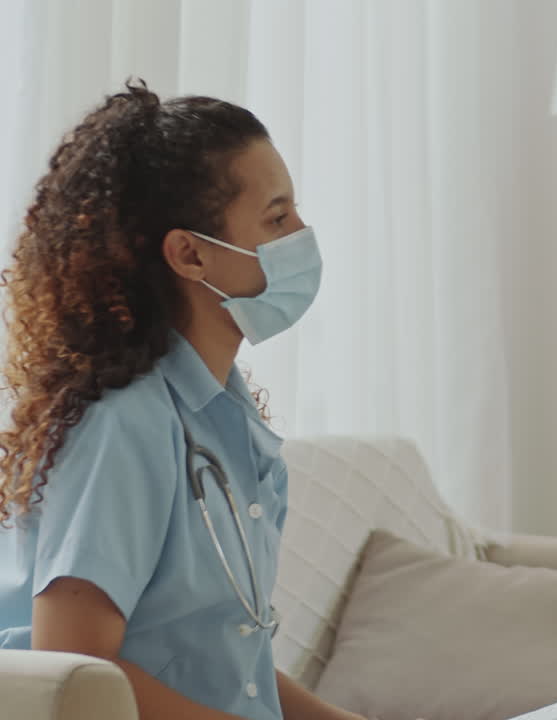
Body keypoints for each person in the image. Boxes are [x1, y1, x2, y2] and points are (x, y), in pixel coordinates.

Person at [0, 81, 362, 720]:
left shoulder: (223, 413)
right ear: (190, 253)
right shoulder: (124, 426)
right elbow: (74, 672)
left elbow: (224, 659)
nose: (303, 234)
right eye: (277, 218)